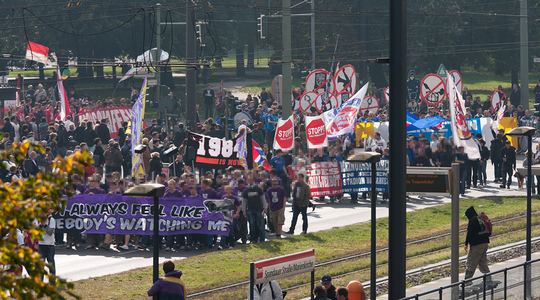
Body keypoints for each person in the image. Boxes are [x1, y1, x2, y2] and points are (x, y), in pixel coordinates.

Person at [464, 206, 491, 282]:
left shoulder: (472, 220)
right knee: (482, 261)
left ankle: (467, 281)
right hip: (485, 242)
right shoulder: (480, 218)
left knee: (471, 262)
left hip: (477, 244)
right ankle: (488, 278)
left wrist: (466, 244)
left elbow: (469, 233)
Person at [242, 174, 267, 243]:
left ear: (253, 180)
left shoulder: (258, 189)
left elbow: (263, 198)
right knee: (252, 225)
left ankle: (262, 239)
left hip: (259, 209)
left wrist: (265, 207)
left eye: (251, 180)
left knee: (260, 225)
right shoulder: (246, 190)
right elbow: (244, 201)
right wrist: (244, 211)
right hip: (250, 210)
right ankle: (253, 239)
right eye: (248, 180)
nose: (250, 181)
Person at [38, 209, 56, 276]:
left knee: (50, 263)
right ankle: (40, 283)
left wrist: (43, 226)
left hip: (50, 245)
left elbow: (50, 232)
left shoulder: (51, 220)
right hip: (41, 245)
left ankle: (52, 282)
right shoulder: (38, 220)